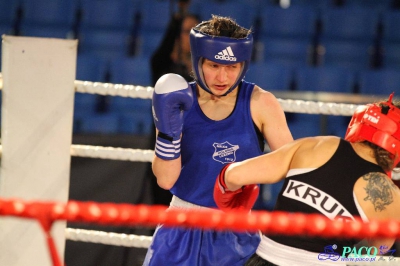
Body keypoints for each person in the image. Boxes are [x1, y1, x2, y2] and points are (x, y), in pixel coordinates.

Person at [143, 15, 293, 265]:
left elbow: (292, 167)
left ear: (242, 65)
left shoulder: (260, 103)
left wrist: (246, 176)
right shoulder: (177, 101)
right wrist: (169, 133)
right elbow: (165, 179)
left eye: (231, 67)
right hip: (180, 225)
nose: (222, 77)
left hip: (236, 234)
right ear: (198, 61)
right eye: (213, 66)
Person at [214, 93, 400, 265]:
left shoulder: (318, 145)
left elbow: (233, 175)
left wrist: (232, 201)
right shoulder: (390, 196)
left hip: (266, 259)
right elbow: (375, 253)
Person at [146, 1, 200, 206]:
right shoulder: (164, 67)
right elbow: (159, 55)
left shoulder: (206, 73)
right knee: (161, 208)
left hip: (195, 149)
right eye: (187, 32)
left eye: (195, 32)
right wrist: (179, 17)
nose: (191, 37)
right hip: (167, 145)